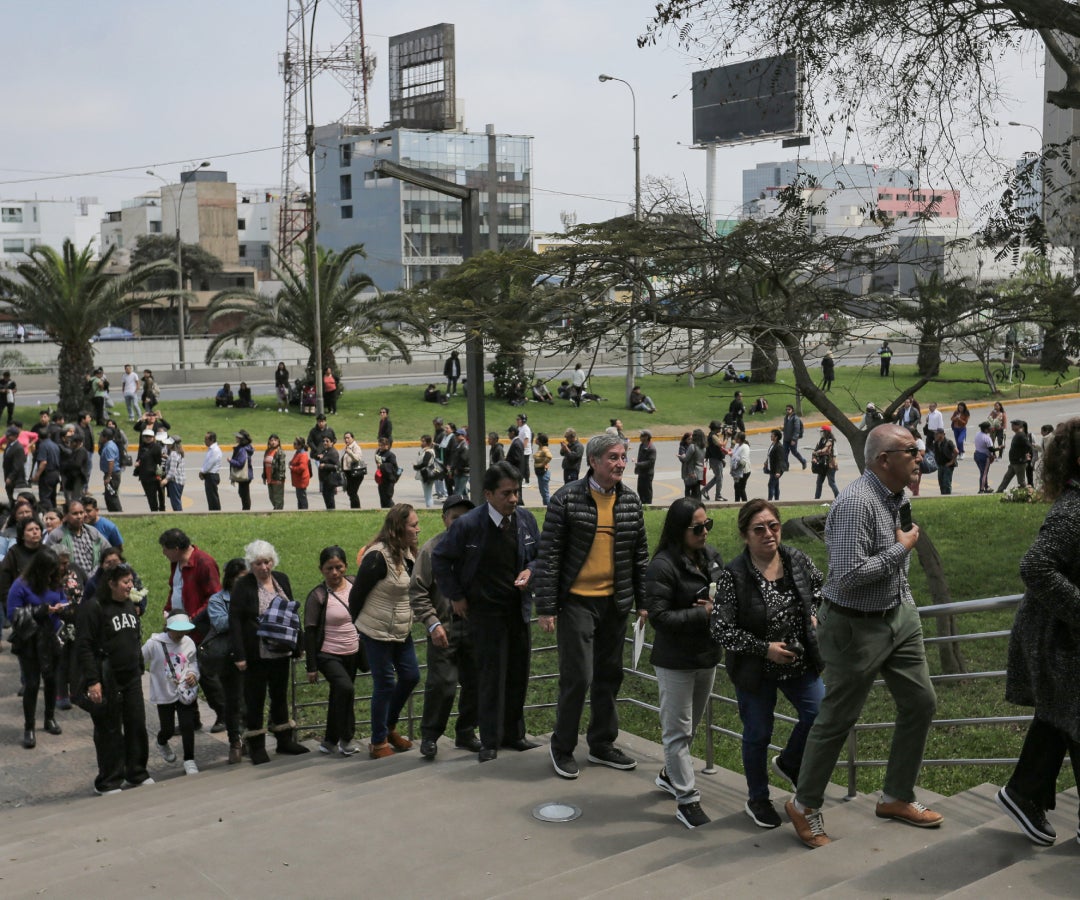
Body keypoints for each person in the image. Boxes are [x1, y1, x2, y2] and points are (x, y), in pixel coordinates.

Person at [785, 424, 941, 849]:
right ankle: (804, 805)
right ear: (883, 460)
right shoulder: (855, 504)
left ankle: (895, 795)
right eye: (911, 450)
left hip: (899, 618)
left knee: (921, 702)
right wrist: (902, 549)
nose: (919, 455)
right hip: (853, 624)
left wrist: (904, 598)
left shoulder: (898, 496)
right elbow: (849, 575)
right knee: (837, 718)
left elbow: (893, 556)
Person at [534, 432, 649, 779]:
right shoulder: (566, 500)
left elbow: (640, 556)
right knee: (578, 677)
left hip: (615, 603)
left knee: (610, 675)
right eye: (613, 457)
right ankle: (562, 747)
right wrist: (547, 606)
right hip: (577, 604)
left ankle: (601, 743)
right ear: (594, 461)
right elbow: (549, 556)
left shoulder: (630, 501)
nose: (620, 463)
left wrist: (644, 601)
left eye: (623, 457)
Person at [713, 499, 825, 830]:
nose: (768, 534)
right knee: (758, 733)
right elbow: (721, 629)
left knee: (821, 713)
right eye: (758, 529)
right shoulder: (734, 575)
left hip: (798, 660)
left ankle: (790, 763)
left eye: (773, 526)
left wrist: (814, 613)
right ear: (745, 535)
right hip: (755, 669)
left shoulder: (796, 560)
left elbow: (819, 588)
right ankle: (758, 799)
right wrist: (765, 649)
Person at [995, 418, 1080, 846]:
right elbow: (1035, 566)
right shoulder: (1072, 510)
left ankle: (1023, 793)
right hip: (1055, 637)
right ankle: (1022, 793)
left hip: (1065, 635)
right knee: (1070, 715)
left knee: (1064, 717)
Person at [433, 464, 541, 761]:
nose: (514, 499)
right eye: (507, 493)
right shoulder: (468, 525)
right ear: (489, 494)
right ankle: (490, 740)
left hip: (517, 610)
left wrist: (530, 571)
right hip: (484, 614)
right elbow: (441, 559)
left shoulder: (526, 521)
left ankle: (514, 734)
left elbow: (539, 557)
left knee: (518, 674)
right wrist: (455, 596)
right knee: (491, 677)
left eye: (516, 492)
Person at [646, 498, 723, 829]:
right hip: (675, 661)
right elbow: (659, 618)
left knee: (689, 728)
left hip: (706, 656)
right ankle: (687, 800)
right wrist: (702, 612)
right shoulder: (662, 566)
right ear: (680, 530)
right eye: (697, 528)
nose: (704, 532)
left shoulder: (712, 558)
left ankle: (670, 774)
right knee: (677, 731)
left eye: (708, 525)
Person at [409, 494, 481, 759]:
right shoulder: (431, 550)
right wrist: (432, 622)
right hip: (443, 629)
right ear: (444, 520)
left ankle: (466, 732)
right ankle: (430, 736)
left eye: (466, 518)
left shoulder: (478, 548)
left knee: (475, 683)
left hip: (474, 629)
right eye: (455, 519)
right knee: (442, 685)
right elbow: (417, 591)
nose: (461, 524)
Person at [349, 504, 421, 759]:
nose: (418, 529)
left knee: (411, 676)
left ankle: (389, 727)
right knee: (385, 684)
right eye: (413, 525)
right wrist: (360, 628)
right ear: (399, 527)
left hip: (402, 629)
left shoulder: (408, 553)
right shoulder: (377, 557)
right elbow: (356, 595)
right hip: (376, 631)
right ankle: (378, 741)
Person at [75, 563, 153, 795]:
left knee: (136, 724)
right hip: (107, 679)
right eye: (126, 582)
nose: (131, 586)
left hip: (131, 678)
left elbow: (133, 637)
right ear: (111, 583)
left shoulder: (129, 605)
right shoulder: (93, 608)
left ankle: (136, 772)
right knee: (109, 729)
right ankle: (108, 780)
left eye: (131, 581)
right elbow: (85, 647)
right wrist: (93, 681)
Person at [229, 540, 308, 764]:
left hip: (281, 650)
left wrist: (298, 643)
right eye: (258, 563)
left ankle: (284, 740)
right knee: (255, 699)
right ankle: (257, 745)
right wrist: (240, 655)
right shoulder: (243, 585)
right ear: (251, 565)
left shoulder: (281, 579)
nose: (263, 567)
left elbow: (293, 612)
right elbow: (234, 621)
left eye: (267, 562)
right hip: (256, 653)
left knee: (280, 696)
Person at [8, 547, 67, 748]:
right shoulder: (21, 585)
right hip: (30, 640)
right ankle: (29, 727)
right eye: (49, 570)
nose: (53, 574)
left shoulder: (55, 582)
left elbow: (63, 598)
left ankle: (49, 718)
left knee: (51, 680)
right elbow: (13, 614)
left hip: (52, 637)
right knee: (32, 684)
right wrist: (42, 610)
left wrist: (63, 607)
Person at [305, 546, 361, 757]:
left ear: (346, 566)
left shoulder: (355, 584)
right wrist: (311, 666)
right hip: (328, 654)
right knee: (346, 689)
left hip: (352, 651)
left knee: (340, 694)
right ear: (321, 569)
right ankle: (346, 738)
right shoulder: (317, 596)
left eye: (339, 567)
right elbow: (309, 632)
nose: (335, 573)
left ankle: (329, 740)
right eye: (329, 568)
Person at [143, 612, 201, 775]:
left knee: (187, 725)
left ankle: (189, 760)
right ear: (169, 628)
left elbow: (193, 662)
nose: (181, 635)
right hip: (164, 693)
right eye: (178, 631)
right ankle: (162, 741)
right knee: (167, 729)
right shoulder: (154, 644)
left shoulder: (188, 642)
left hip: (184, 692)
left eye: (184, 631)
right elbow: (139, 659)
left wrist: (193, 675)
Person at [202, 557, 247, 764]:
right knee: (233, 701)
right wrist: (242, 615)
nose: (242, 582)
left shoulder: (254, 595)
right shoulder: (218, 600)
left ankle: (250, 737)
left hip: (252, 654)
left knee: (250, 699)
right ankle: (235, 742)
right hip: (229, 657)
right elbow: (220, 623)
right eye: (238, 579)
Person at [44, 499, 110, 576]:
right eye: (75, 514)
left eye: (81, 513)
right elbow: (47, 561)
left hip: (94, 580)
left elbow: (108, 552)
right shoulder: (57, 535)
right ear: (65, 516)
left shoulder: (93, 532)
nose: (79, 516)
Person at [996, 419, 1033, 493]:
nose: (1012, 427)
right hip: (1014, 462)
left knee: (1021, 482)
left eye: (1014, 425)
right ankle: (999, 491)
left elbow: (1029, 446)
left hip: (1019, 463)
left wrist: (1025, 455)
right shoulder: (1018, 434)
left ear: (1019, 426)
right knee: (1007, 478)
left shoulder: (1021, 435)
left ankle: (1027, 494)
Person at [31, 426, 61, 510]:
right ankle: (55, 514)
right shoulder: (55, 445)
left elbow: (43, 462)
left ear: (39, 437)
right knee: (52, 496)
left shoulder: (43, 446)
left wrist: (37, 475)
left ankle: (49, 514)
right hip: (55, 473)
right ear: (49, 435)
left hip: (47, 474)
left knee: (45, 498)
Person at [134, 427, 163, 512]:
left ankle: (161, 511)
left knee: (160, 496)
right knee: (150, 497)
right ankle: (154, 512)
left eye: (149, 436)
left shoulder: (157, 447)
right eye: (145, 436)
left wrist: (159, 476)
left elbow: (160, 463)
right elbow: (139, 458)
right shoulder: (142, 447)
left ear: (153, 437)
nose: (147, 438)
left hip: (154, 476)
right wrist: (138, 463)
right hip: (144, 476)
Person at [228, 430, 255, 510]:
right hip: (247, 475)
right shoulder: (244, 448)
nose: (236, 438)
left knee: (244, 494)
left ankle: (246, 510)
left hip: (244, 475)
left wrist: (231, 461)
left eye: (238, 437)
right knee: (243, 493)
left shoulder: (242, 449)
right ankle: (246, 508)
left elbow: (240, 463)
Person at [811, 425, 839, 500]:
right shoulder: (821, 440)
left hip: (830, 465)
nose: (821, 433)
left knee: (831, 483)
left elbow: (826, 450)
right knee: (819, 483)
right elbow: (815, 450)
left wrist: (818, 452)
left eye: (822, 431)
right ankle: (816, 499)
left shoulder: (830, 441)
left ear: (826, 432)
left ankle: (838, 497)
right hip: (822, 464)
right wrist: (814, 457)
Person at [703, 420, 729, 501]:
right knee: (719, 478)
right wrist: (727, 437)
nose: (721, 429)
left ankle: (704, 490)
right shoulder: (713, 436)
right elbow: (722, 445)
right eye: (720, 428)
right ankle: (718, 496)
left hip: (716, 459)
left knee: (717, 477)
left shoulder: (713, 435)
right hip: (715, 460)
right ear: (716, 428)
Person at [340, 431, 366, 509]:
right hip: (348, 473)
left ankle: (356, 508)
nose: (346, 439)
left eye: (348, 438)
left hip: (356, 474)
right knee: (350, 492)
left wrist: (350, 453)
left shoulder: (355, 447)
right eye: (345, 438)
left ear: (353, 438)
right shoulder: (347, 447)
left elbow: (357, 458)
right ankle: (354, 507)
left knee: (353, 492)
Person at [262, 433, 287, 510]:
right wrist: (264, 476)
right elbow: (265, 465)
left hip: (277, 479)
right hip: (270, 478)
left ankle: (278, 512)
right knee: (271, 497)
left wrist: (280, 478)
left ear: (278, 441)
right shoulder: (267, 451)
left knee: (278, 498)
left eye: (275, 440)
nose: (273, 442)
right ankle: (277, 510)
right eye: (271, 440)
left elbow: (282, 467)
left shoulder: (280, 452)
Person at [199, 431, 222, 512]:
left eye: (206, 439)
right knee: (210, 496)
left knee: (213, 497)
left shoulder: (215, 450)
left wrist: (202, 472)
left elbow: (210, 464)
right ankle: (212, 511)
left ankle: (216, 512)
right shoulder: (211, 449)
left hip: (212, 475)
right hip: (209, 476)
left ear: (211, 440)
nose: (205, 441)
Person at [413, 434, 438, 509]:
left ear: (428, 442)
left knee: (428, 494)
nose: (421, 443)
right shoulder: (425, 451)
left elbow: (425, 463)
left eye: (423, 441)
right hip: (425, 474)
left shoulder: (428, 452)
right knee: (427, 493)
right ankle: (429, 506)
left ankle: (429, 508)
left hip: (427, 475)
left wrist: (416, 467)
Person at [931, 428, 958, 494]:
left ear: (942, 434)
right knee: (941, 482)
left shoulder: (948, 442)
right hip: (940, 465)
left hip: (948, 465)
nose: (935, 435)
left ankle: (948, 496)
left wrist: (951, 462)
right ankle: (943, 496)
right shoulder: (936, 443)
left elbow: (956, 451)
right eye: (935, 434)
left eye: (937, 434)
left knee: (946, 482)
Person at [318, 435, 342, 509]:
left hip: (330, 481)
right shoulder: (326, 451)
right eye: (324, 441)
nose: (325, 443)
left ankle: (332, 513)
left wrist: (325, 465)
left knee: (330, 500)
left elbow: (337, 466)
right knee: (326, 498)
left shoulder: (333, 452)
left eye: (327, 441)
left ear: (332, 443)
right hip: (325, 480)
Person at [374, 436, 398, 509]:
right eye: (379, 445)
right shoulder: (379, 453)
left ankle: (394, 510)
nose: (380, 447)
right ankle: (384, 510)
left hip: (389, 479)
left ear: (387, 445)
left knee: (388, 497)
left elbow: (393, 467)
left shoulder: (391, 455)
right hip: (381, 479)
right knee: (382, 497)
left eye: (382, 445)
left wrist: (382, 465)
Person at [681, 428, 706, 499]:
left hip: (691, 472)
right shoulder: (703, 447)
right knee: (697, 491)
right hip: (700, 472)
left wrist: (681, 456)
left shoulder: (692, 446)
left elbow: (686, 459)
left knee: (688, 491)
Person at [635, 429, 656, 505]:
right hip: (641, 472)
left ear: (646, 437)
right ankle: (642, 504)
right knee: (640, 489)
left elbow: (650, 462)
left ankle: (648, 505)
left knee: (647, 490)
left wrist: (638, 464)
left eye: (642, 436)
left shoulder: (651, 448)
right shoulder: (642, 445)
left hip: (647, 473)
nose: (640, 437)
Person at [972, 421, 994, 493]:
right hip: (984, 456)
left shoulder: (978, 434)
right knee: (984, 473)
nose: (991, 429)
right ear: (986, 430)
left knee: (983, 472)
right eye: (989, 428)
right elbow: (991, 449)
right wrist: (999, 448)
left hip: (977, 454)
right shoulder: (987, 438)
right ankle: (981, 489)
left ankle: (986, 487)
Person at [782, 405, 807, 470]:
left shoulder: (795, 418)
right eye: (786, 409)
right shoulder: (786, 417)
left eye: (789, 409)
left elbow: (797, 429)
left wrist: (794, 439)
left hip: (792, 439)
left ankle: (803, 461)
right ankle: (785, 466)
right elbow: (787, 428)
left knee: (794, 452)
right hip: (786, 439)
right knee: (784, 453)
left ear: (792, 410)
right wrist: (782, 429)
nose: (787, 410)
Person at [764, 428, 786, 501]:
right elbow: (769, 455)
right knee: (776, 485)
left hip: (776, 470)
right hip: (772, 469)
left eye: (772, 435)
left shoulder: (779, 447)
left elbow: (780, 460)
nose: (771, 436)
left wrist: (778, 472)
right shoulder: (773, 444)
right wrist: (766, 462)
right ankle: (777, 500)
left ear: (776, 437)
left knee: (771, 485)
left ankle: (770, 500)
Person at [290, 437, 311, 509]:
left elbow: (302, 468)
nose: (293, 445)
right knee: (299, 497)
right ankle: (300, 510)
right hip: (298, 480)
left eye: (295, 444)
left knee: (302, 497)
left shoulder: (303, 455)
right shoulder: (297, 453)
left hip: (301, 480)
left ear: (299, 445)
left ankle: (304, 511)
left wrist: (292, 468)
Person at [730, 432, 751, 503]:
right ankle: (737, 503)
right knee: (736, 487)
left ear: (739, 439)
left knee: (741, 488)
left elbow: (743, 461)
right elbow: (733, 454)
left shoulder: (745, 447)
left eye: (735, 437)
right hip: (736, 471)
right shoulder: (737, 445)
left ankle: (745, 504)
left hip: (743, 472)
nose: (734, 438)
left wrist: (734, 457)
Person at [533, 433, 553, 506]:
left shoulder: (544, 449)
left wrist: (542, 464)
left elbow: (549, 456)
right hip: (540, 473)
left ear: (540, 441)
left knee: (545, 493)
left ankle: (548, 507)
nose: (535, 440)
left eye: (537, 439)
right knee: (543, 493)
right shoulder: (540, 448)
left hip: (543, 474)